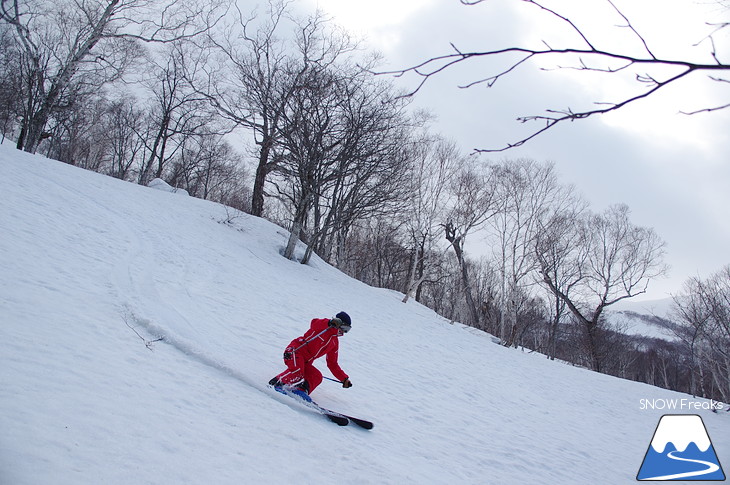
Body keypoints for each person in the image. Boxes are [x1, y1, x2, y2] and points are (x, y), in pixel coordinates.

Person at [268, 311, 353, 396]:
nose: (343, 332)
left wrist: (344, 379)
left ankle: (300, 391)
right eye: (344, 327)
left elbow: (332, 363)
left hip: (306, 362)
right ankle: (276, 383)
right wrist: (329, 322)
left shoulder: (334, 343)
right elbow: (314, 323)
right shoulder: (323, 328)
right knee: (297, 372)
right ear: (338, 323)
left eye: (347, 329)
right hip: (295, 351)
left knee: (316, 376)